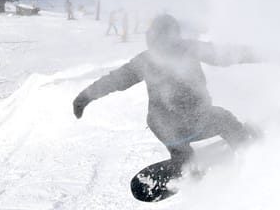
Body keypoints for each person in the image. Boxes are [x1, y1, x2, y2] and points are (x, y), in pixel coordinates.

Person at [72, 14, 260, 174]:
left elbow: (114, 80)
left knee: (166, 126)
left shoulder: (145, 59)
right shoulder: (189, 48)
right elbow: (229, 54)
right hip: (197, 121)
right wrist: (268, 54)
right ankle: (245, 147)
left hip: (165, 128)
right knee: (225, 119)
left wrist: (85, 97)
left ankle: (183, 159)